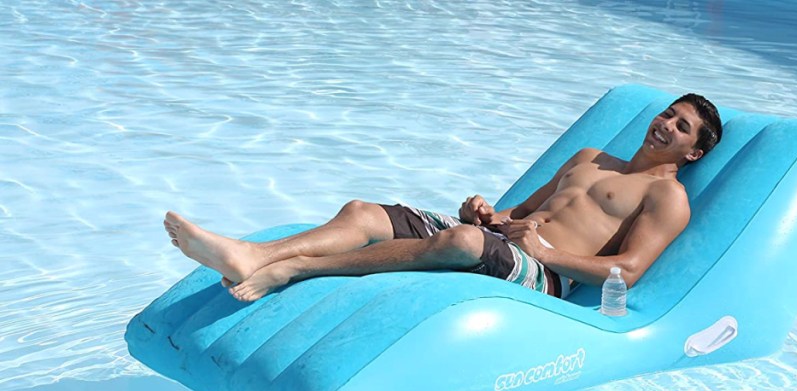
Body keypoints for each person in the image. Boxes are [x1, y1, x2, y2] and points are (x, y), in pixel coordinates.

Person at [163, 94, 723, 302]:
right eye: (668, 114)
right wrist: (484, 213)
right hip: (502, 243)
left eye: (681, 128)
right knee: (363, 210)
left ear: (693, 153)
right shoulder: (587, 158)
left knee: (461, 242)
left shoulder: (668, 197)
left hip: (547, 275)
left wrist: (547, 255)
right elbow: (517, 216)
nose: (666, 125)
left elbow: (627, 270)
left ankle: (295, 270)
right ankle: (254, 254)